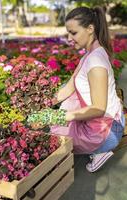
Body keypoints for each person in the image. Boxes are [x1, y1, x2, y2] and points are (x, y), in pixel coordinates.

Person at [28, 6, 125, 172]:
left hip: (106, 131)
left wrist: (54, 116)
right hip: (102, 124)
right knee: (55, 121)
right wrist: (42, 107)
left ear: (90, 29)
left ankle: (99, 151)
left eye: (73, 33)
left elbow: (98, 109)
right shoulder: (89, 55)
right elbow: (68, 88)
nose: (69, 38)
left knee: (57, 138)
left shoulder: (96, 63)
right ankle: (97, 150)